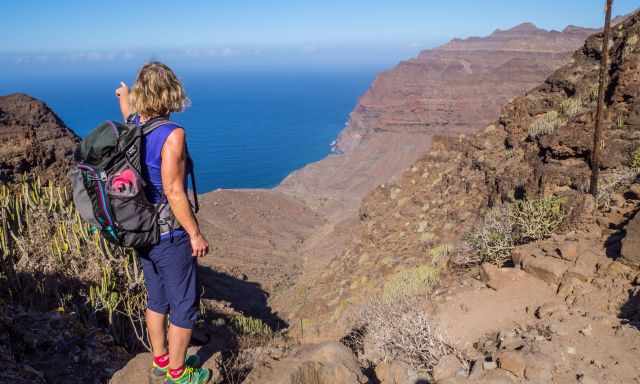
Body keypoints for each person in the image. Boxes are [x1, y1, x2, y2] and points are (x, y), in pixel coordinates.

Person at [116, 62, 211, 384]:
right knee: (183, 305)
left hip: (141, 230)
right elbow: (173, 190)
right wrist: (195, 233)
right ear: (172, 91)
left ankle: (159, 360)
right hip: (169, 235)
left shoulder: (134, 126)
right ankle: (177, 372)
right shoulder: (173, 134)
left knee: (156, 299)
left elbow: (127, 110)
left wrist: (125, 95)